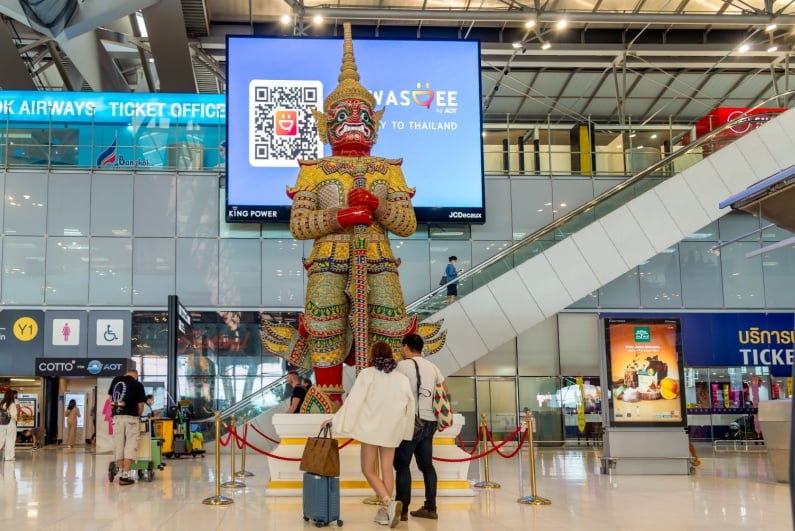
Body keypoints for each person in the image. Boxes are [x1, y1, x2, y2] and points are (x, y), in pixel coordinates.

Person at [286, 23, 417, 405]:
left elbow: (407, 224)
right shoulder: (314, 168)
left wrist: (378, 207)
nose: (354, 120)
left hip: (378, 257)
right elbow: (299, 224)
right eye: (343, 113)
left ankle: (380, 398)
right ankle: (330, 401)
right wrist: (340, 217)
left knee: (388, 324)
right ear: (327, 124)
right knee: (324, 323)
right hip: (328, 258)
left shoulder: (387, 168)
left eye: (362, 113)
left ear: (374, 123)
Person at [321, 341, 415, 528]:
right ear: (391, 356)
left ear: (373, 356)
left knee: (368, 469)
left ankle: (388, 504)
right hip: (392, 430)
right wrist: (406, 430)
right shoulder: (401, 379)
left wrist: (335, 420)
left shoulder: (367, 375)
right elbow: (409, 406)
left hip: (371, 429)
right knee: (387, 469)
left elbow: (354, 402)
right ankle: (384, 512)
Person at [394, 333, 447, 521]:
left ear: (407, 346)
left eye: (402, 347)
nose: (402, 350)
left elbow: (396, 391)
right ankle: (431, 508)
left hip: (411, 422)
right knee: (427, 466)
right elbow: (443, 390)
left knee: (401, 465)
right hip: (430, 421)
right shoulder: (432, 367)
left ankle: (402, 510)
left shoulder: (402, 366)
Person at [108, 369, 146, 485]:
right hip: (131, 418)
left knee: (118, 445)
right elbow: (140, 405)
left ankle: (120, 473)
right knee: (130, 445)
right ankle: (125, 476)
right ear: (136, 376)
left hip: (117, 418)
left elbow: (110, 399)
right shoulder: (138, 385)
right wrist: (137, 416)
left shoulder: (116, 380)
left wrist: (115, 412)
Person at [0, 389, 18, 461]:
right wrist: (17, 418)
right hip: (10, 424)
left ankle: (8, 456)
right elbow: (14, 415)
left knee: (1, 439)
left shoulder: (1, 403)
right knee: (10, 440)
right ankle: (9, 457)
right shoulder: (12, 404)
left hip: (1, 424)